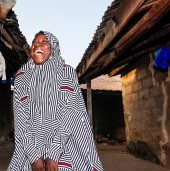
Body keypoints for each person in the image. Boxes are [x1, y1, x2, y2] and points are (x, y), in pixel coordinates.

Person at [7, 31, 103, 171]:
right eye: (34, 42)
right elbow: (21, 119)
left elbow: (71, 113)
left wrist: (54, 154)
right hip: (31, 146)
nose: (37, 45)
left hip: (64, 144)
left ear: (53, 48)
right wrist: (34, 156)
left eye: (43, 42)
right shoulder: (22, 76)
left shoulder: (66, 72)